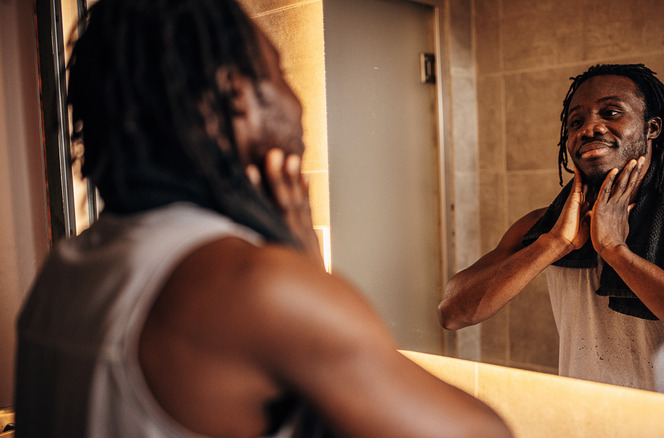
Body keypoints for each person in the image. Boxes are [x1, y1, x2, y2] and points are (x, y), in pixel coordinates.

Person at [14, 1, 513, 437]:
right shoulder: (257, 286)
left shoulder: (64, 270)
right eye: (281, 74)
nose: (298, 106)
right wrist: (307, 275)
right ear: (236, 98)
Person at [438, 64, 664, 402]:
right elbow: (453, 312)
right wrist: (554, 244)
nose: (590, 127)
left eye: (611, 112)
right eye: (576, 121)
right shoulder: (546, 225)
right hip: (585, 423)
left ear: (652, 127)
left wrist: (616, 251)